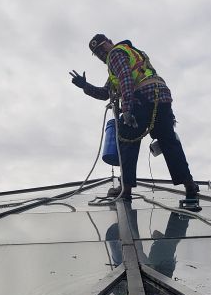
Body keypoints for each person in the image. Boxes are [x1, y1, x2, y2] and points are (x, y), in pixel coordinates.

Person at [70, 34, 200, 203]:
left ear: (110, 42)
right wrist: (85, 86)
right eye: (97, 53)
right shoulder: (130, 54)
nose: (102, 54)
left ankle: (126, 189)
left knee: (127, 141)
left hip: (142, 97)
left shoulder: (115, 54)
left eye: (102, 48)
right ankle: (189, 184)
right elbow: (105, 94)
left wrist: (127, 109)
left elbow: (125, 78)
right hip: (161, 96)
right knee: (169, 142)